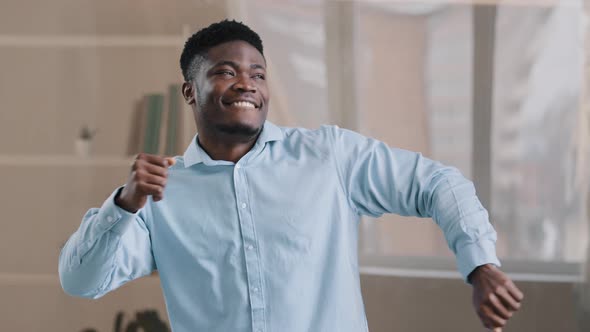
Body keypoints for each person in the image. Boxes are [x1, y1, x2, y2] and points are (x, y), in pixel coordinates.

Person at [59, 19, 523, 332]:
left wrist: (481, 263)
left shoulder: (329, 156)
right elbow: (81, 281)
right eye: (225, 72)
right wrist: (123, 205)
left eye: (258, 74)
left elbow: (438, 183)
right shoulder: (160, 196)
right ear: (189, 90)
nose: (247, 84)